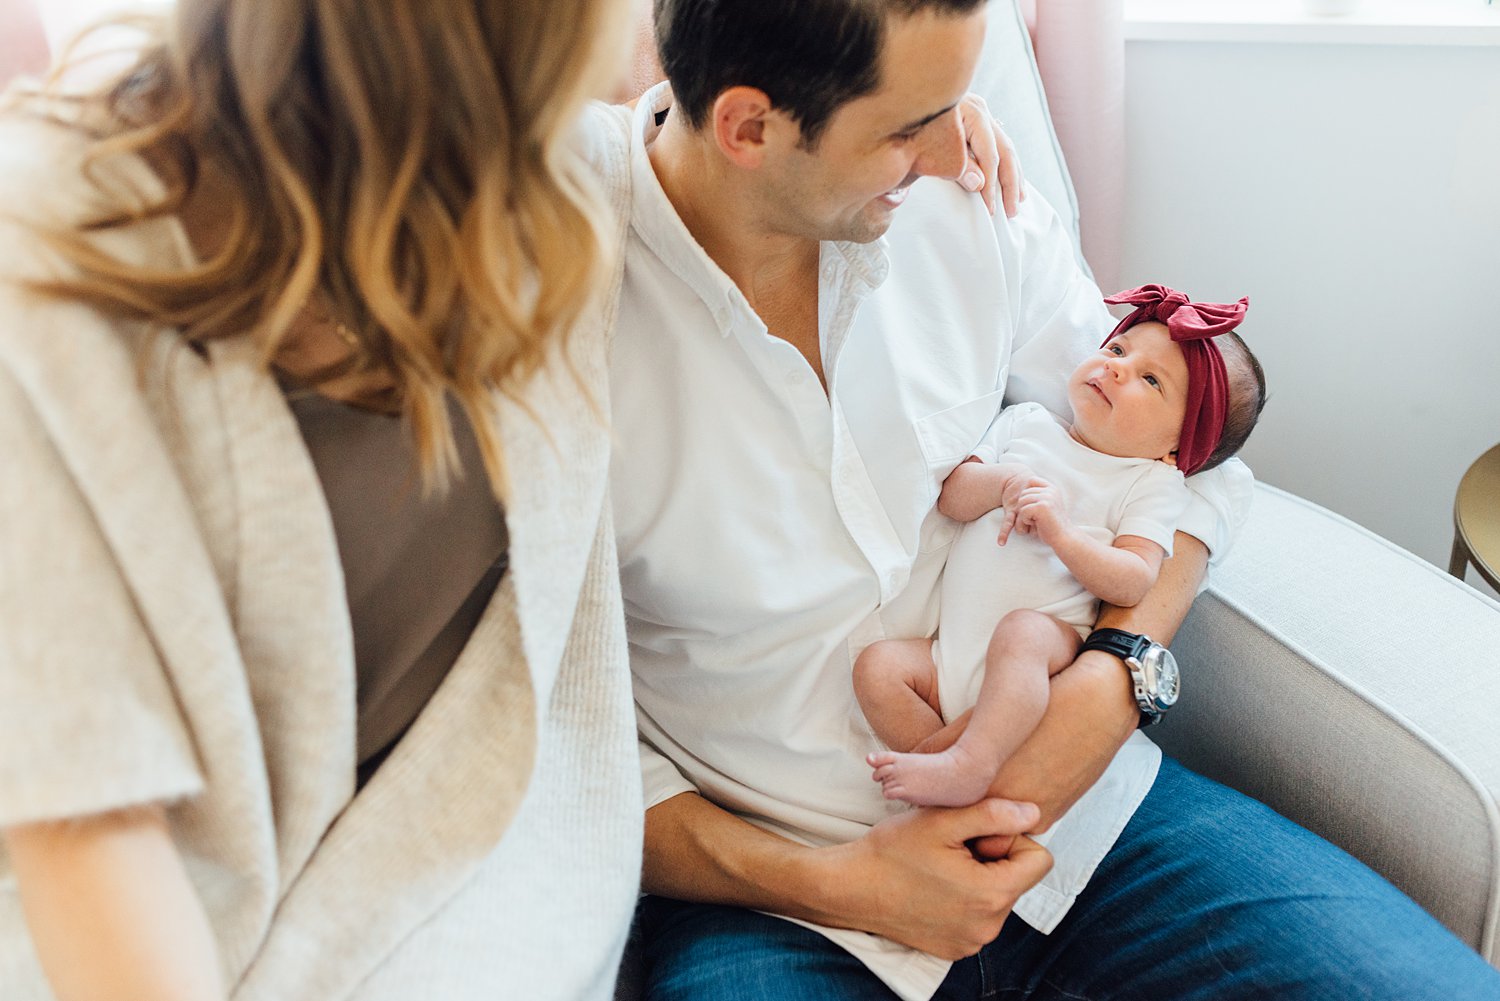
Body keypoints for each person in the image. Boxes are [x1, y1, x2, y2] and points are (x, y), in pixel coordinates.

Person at [605, 0, 1500, 998]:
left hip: (1087, 826)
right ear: (750, 129)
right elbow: (546, 746)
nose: (962, 151)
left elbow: (1188, 461)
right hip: (787, 903)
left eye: (963, 101)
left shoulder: (964, 204)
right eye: (911, 125)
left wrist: (1115, 674)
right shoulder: (548, 327)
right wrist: (838, 881)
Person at [0, 2, 643, 998]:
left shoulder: (564, 191)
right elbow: (86, 825)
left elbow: (776, 154)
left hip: (488, 908)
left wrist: (929, 133)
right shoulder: (42, 269)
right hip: (155, 939)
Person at [858, 287, 1267, 808]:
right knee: (878, 668)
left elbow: (1134, 578)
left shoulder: (1150, 483)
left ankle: (970, 764)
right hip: (948, 660)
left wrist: (1062, 534)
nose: (1117, 368)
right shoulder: (1026, 422)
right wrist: (1002, 483)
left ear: (1177, 446)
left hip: (1045, 654)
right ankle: (949, 781)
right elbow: (954, 498)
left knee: (1022, 632)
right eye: (1119, 351)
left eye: (1150, 379)